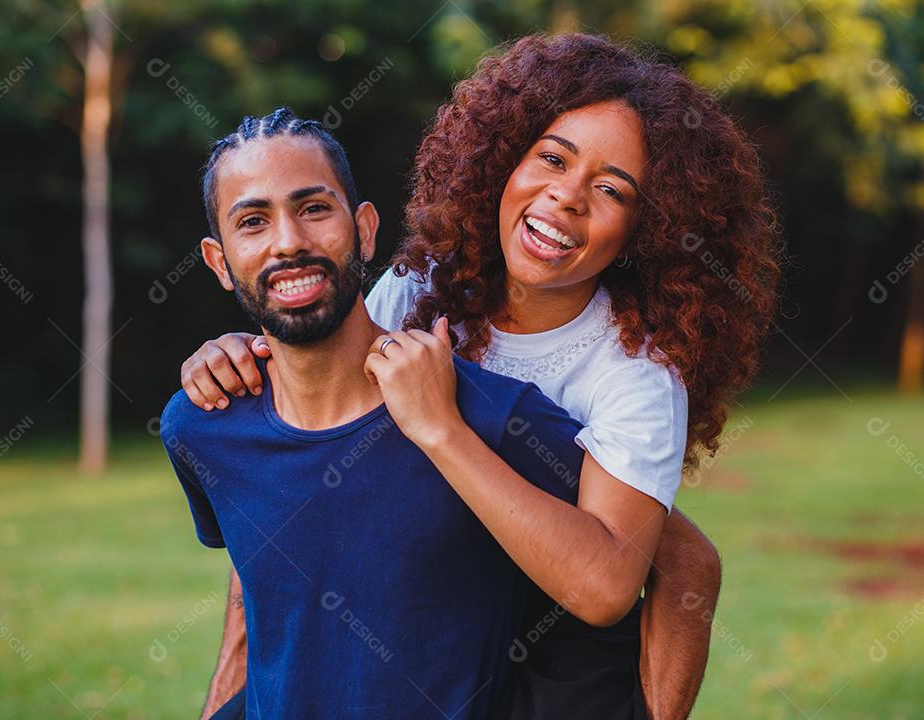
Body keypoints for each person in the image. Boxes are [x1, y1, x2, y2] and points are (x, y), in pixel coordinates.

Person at [184, 34, 781, 720]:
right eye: (552, 158)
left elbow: (648, 574)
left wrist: (441, 429)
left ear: (647, 227)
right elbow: (309, 459)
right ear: (503, 160)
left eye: (611, 189)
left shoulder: (634, 374)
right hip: (428, 620)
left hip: (545, 662)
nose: (566, 197)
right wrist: (248, 352)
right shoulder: (416, 291)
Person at [161, 108, 597, 719]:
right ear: (219, 261)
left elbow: (645, 562)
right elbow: (261, 580)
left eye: (314, 208)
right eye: (253, 221)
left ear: (365, 230)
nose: (288, 241)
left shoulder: (491, 416)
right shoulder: (201, 425)